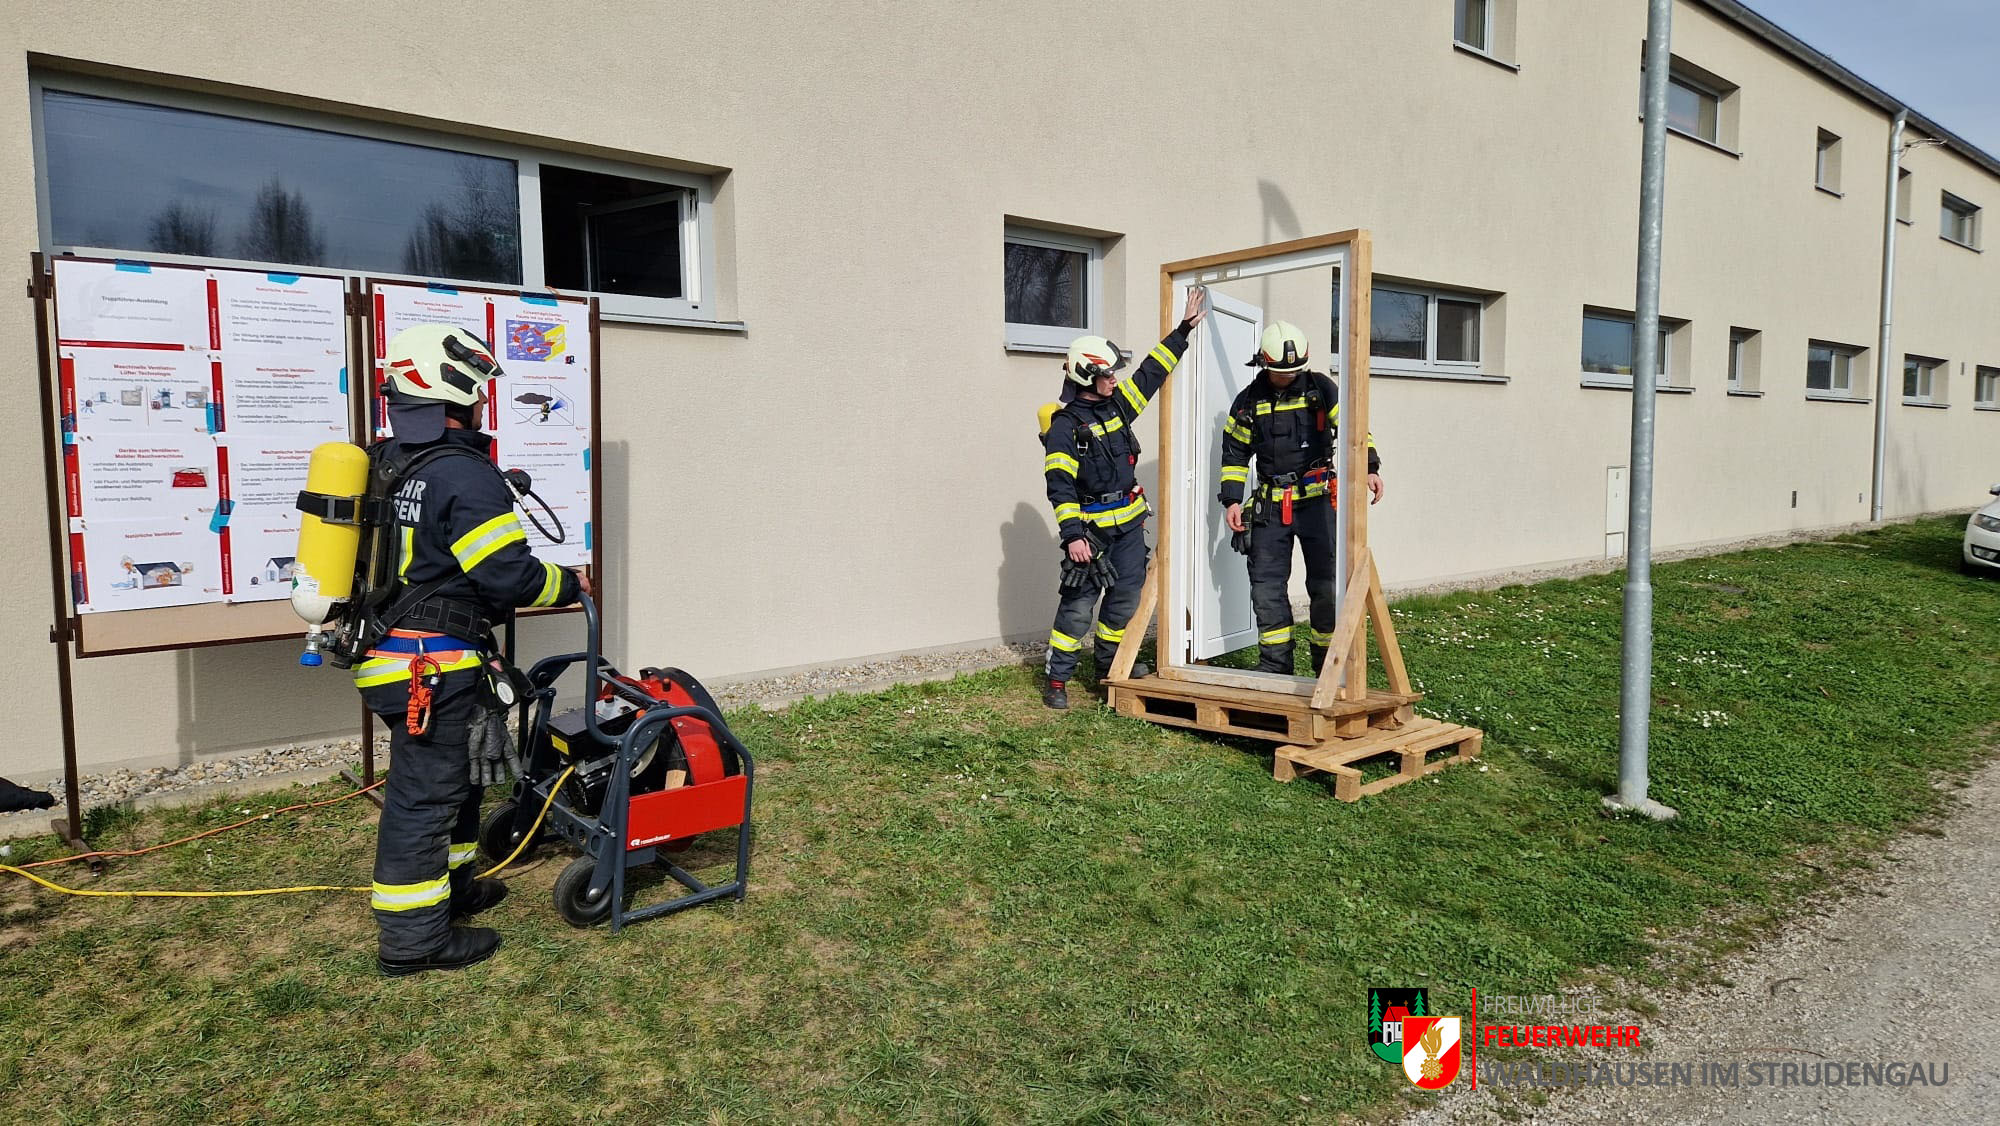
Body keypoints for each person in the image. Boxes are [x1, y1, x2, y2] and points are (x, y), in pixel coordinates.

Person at [358, 323, 588, 976]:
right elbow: (507, 577)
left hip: (397, 656)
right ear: (453, 388)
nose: (486, 401)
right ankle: (413, 941)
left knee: (455, 787)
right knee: (424, 799)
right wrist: (569, 583)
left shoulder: (386, 460)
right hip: (429, 668)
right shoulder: (462, 474)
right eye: (480, 390)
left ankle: (454, 890)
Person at [1039, 287, 1208, 709]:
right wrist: (1073, 536)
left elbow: (1151, 374)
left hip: (1129, 529)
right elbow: (1060, 486)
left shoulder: (1117, 406)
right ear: (1085, 376)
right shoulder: (1064, 428)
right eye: (1108, 374)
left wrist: (1182, 330)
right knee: (1077, 608)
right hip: (1090, 536)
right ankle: (1057, 680)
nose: (1115, 379)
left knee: (1124, 602)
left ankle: (1109, 670)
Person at [1217, 321, 1383, 674]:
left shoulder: (1321, 389)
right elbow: (1234, 454)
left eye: (1295, 370)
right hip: (1270, 507)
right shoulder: (1248, 401)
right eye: (1282, 371)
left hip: (1318, 502)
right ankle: (1276, 666)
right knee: (1266, 587)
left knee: (1327, 585)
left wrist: (1369, 467)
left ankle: (1329, 667)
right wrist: (1231, 500)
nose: (1289, 376)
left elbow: (1354, 429)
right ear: (1265, 363)